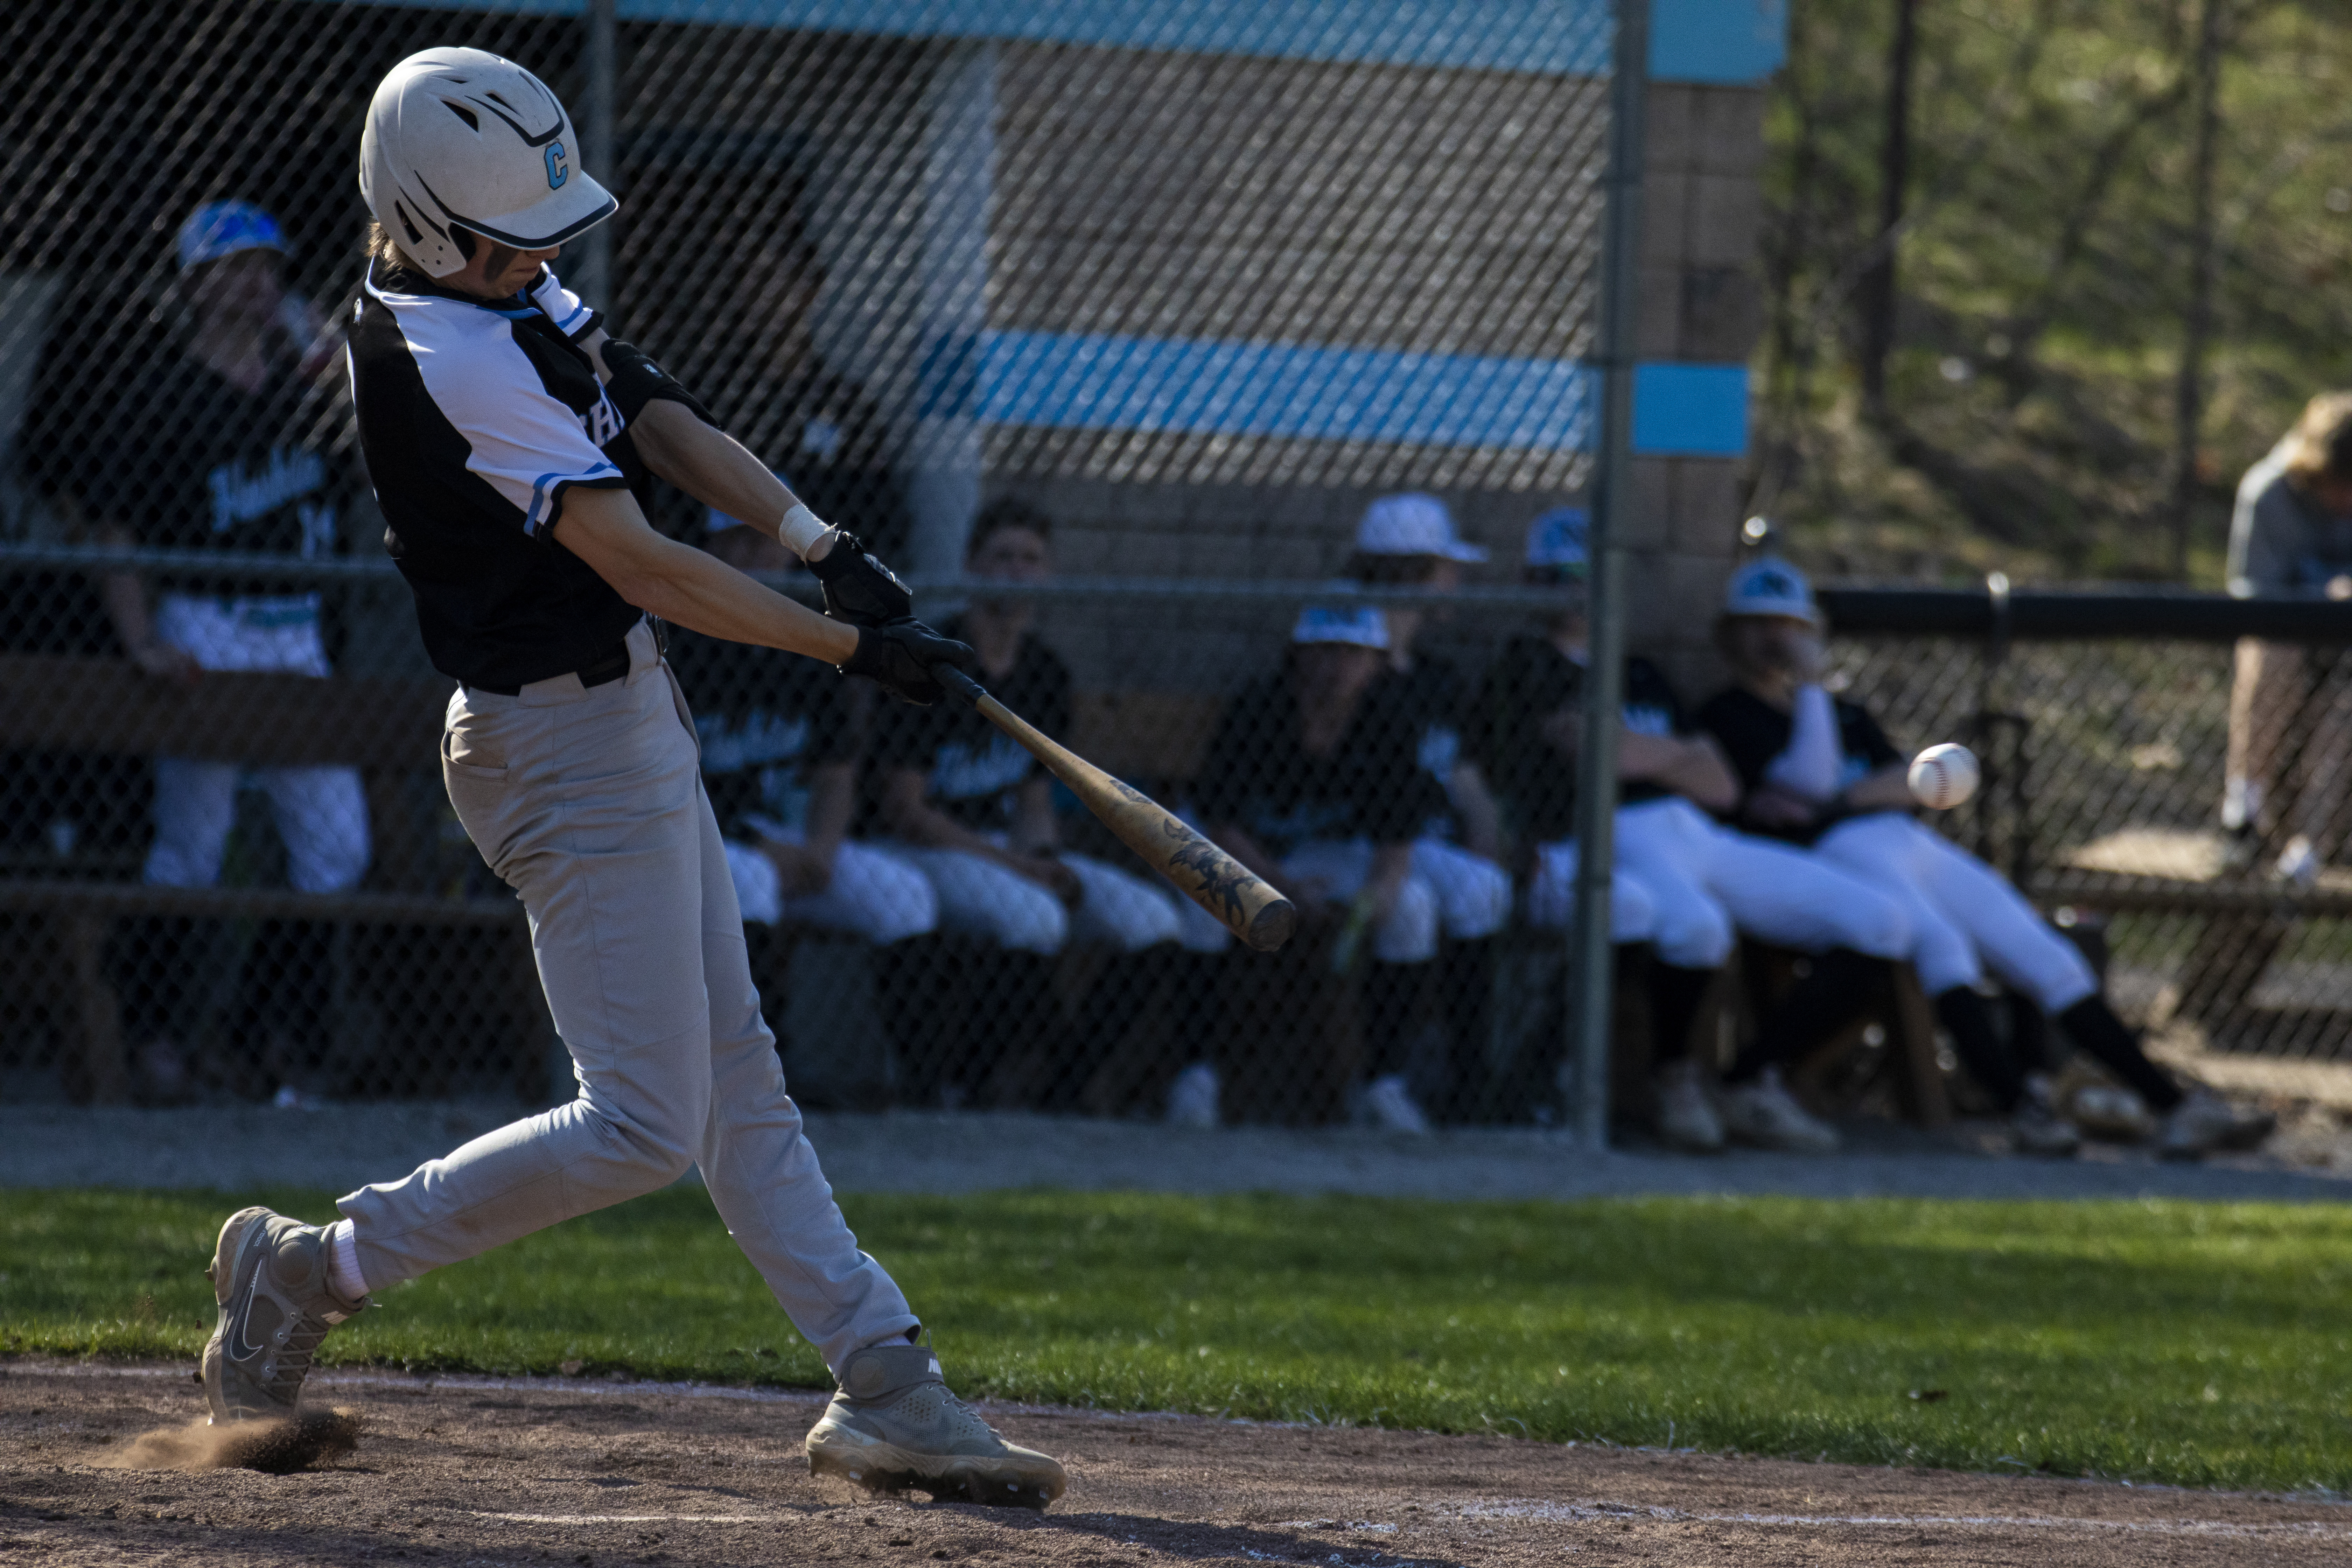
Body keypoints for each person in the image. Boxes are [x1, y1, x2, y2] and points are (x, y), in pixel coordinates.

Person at [200, 48, 1064, 1511]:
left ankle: (887, 1385)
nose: (538, 257)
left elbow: (646, 402)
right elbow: (647, 560)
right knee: (648, 1123)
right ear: (422, 225)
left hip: (626, 722)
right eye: (508, 237)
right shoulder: (447, 353)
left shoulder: (497, 282)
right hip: (553, 748)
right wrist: (854, 649)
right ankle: (312, 1266)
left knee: (738, 1083)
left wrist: (813, 539)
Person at [1697, 556, 2274, 1160]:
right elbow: (1812, 779)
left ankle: (2177, 1109)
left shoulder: (1845, 714)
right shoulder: (1730, 714)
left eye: (1790, 624)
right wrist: (1819, 713)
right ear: (1728, 633)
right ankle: (2020, 1109)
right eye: (1759, 623)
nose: (1776, 638)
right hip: (1835, 860)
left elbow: (1905, 782)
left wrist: (1840, 797)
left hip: (1907, 843)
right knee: (1944, 946)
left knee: (2044, 955)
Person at [36, 200, 366, 1102]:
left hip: (294, 627)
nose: (257, 281)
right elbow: (115, 533)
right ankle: (155, 1035)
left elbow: (384, 463)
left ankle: (266, 1034)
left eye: (268, 266)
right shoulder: (159, 396)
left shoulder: (308, 392)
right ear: (192, 285)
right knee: (194, 844)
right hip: (205, 622)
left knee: (337, 850)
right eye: (233, 267)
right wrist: (142, 639)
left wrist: (347, 375)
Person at [1469, 510, 1915, 1153]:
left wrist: (1643, 750)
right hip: (1613, 834)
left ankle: (1750, 1080)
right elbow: (1602, 760)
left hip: (1698, 832)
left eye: (1591, 574)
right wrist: (1671, 754)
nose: (1579, 589)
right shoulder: (1525, 665)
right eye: (1560, 576)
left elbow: (1720, 785)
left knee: (1881, 920)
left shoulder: (1642, 670)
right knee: (1696, 927)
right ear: (1530, 580)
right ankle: (1674, 1080)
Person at [869, 498, 1186, 1105]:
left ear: (1049, 574)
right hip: (928, 846)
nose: (1017, 571)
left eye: (1031, 560)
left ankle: (1064, 1086)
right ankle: (959, 1084)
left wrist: (1043, 854)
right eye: (1003, 557)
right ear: (971, 566)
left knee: (1153, 923)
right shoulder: (929, 657)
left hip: (1003, 849)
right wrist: (1022, 869)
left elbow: (1034, 795)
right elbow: (907, 811)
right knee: (1031, 916)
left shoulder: (1045, 673)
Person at [1194, 603, 1450, 1133]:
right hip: (1249, 855)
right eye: (1326, 652)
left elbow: (1395, 846)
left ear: (1376, 664)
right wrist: (1279, 887)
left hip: (1329, 855)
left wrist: (1376, 899)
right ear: (1299, 657)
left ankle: (1383, 1083)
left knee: (1413, 908)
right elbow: (1220, 825)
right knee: (1205, 901)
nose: (1339, 668)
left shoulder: (1387, 724)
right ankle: (1198, 1077)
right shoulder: (1258, 710)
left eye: (1355, 655)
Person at [668, 520, 937, 949]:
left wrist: (822, 851)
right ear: (710, 546)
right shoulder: (677, 642)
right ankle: (747, 1018)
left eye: (768, 540)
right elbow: (665, 786)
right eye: (740, 539)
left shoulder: (806, 643)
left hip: (783, 836)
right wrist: (759, 845)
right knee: (755, 880)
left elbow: (837, 772)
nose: (758, 553)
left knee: (905, 896)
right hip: (695, 835)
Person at [1346, 495, 1513, 1120]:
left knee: (1483, 888)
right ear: (1412, 571)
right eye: (1447, 568)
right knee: (1432, 899)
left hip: (1430, 843)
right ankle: (1393, 1079)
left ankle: (1469, 1082)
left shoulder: (1437, 677)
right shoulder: (1344, 662)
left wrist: (1489, 831)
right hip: (1367, 841)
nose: (1458, 582)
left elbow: (1465, 778)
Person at [2224, 392, 2352, 881]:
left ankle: (2311, 847)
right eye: (2338, 486)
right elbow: (2255, 593)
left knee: (2346, 699)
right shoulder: (2269, 491)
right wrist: (2326, 589)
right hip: (2285, 638)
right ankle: (2244, 813)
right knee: (2272, 651)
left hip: (2344, 651)